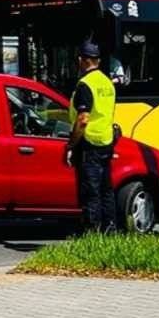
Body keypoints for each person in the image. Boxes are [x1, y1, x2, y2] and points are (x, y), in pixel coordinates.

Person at [64, 41, 118, 233]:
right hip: (106, 141)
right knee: (106, 191)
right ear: (98, 60)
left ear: (82, 60)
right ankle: (110, 230)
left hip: (89, 145)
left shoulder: (85, 85)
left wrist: (71, 144)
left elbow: (83, 119)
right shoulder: (107, 83)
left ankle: (92, 233)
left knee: (90, 192)